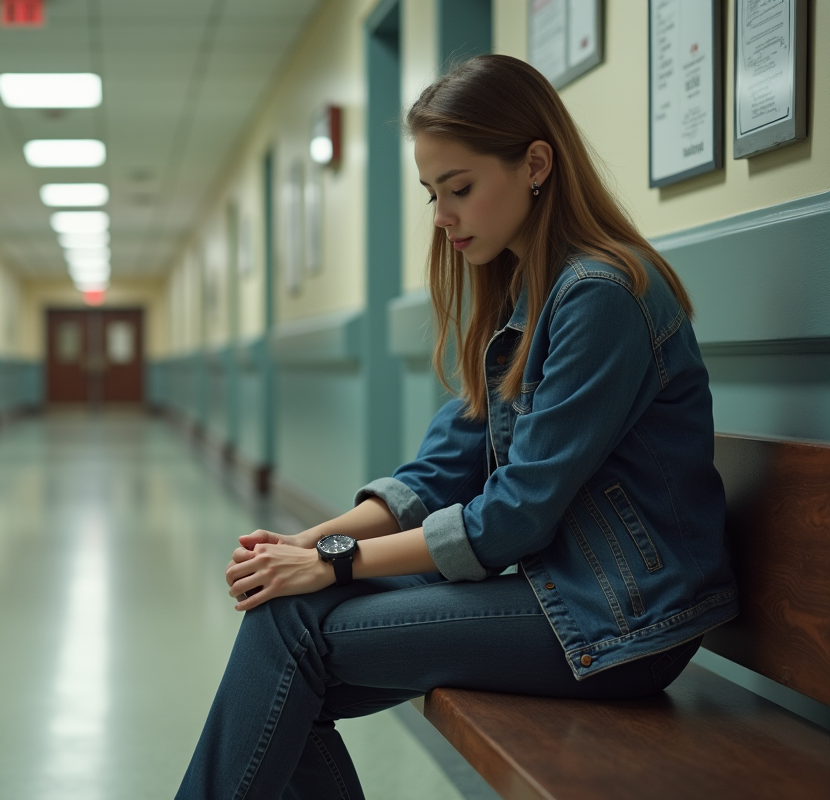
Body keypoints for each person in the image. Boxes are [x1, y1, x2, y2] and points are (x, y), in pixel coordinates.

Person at [175, 55, 738, 800]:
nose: (441, 218)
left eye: (459, 189)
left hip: (623, 620)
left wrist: (336, 562)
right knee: (287, 643)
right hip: (564, 594)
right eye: (432, 193)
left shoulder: (600, 297)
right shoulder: (523, 294)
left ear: (536, 164)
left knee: (292, 635)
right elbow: (437, 475)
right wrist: (304, 546)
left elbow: (514, 518)